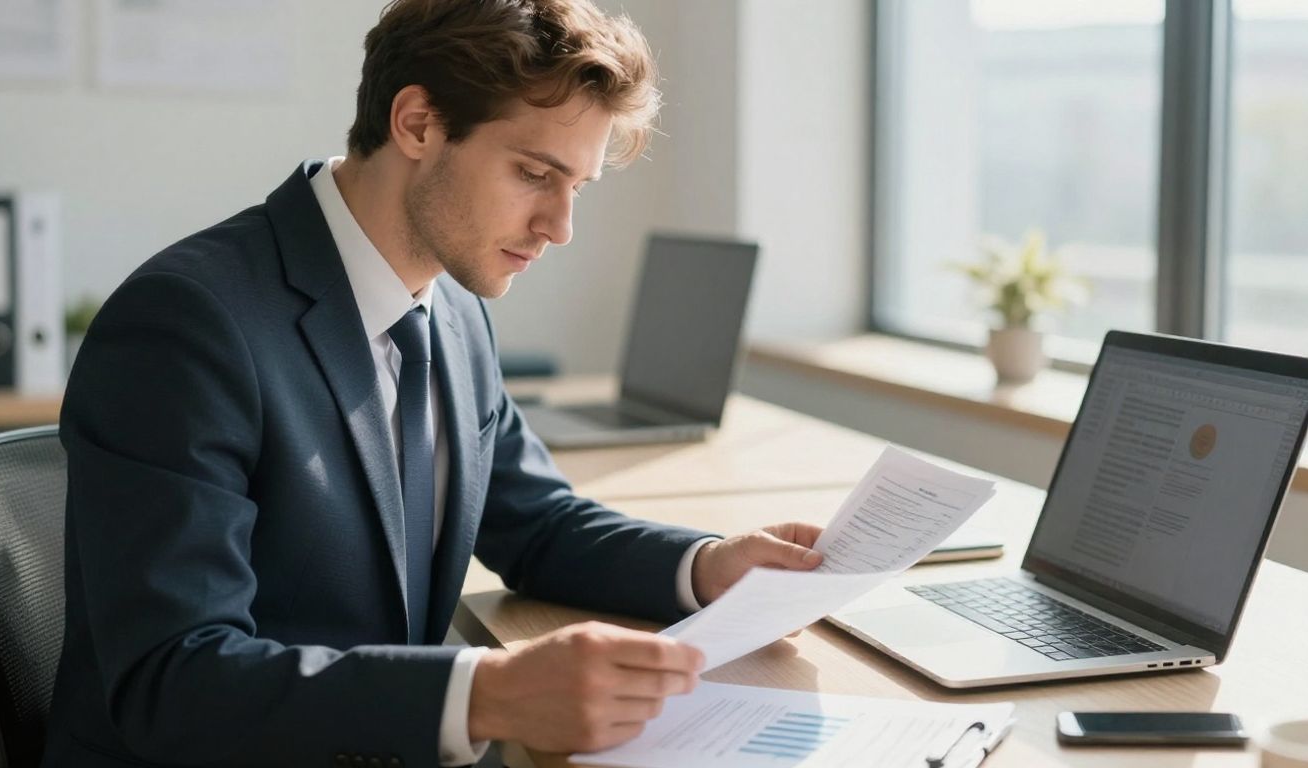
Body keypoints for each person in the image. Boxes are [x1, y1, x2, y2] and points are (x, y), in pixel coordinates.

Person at [43, 1, 825, 766]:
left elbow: (536, 522)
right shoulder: (189, 323)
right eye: (532, 173)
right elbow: (170, 681)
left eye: (576, 188)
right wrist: (487, 694)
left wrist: (708, 566)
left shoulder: (449, 309)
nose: (560, 226)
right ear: (417, 123)